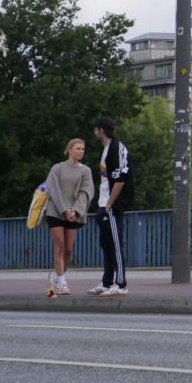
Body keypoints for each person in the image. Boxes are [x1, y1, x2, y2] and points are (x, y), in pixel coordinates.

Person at [88, 117, 133, 296]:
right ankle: (107, 282)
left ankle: (121, 284)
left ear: (101, 130)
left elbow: (120, 180)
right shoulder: (106, 150)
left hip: (112, 205)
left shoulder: (117, 149)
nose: (94, 132)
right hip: (103, 203)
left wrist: (109, 205)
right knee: (106, 244)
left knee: (115, 244)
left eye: (95, 129)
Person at [44, 138, 94, 295]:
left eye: (83, 149)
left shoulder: (85, 171)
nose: (81, 151)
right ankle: (62, 281)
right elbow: (53, 189)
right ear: (70, 149)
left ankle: (59, 277)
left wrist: (75, 210)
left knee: (68, 249)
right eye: (78, 148)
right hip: (56, 211)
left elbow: (86, 192)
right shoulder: (57, 168)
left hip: (73, 214)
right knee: (59, 245)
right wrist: (64, 209)